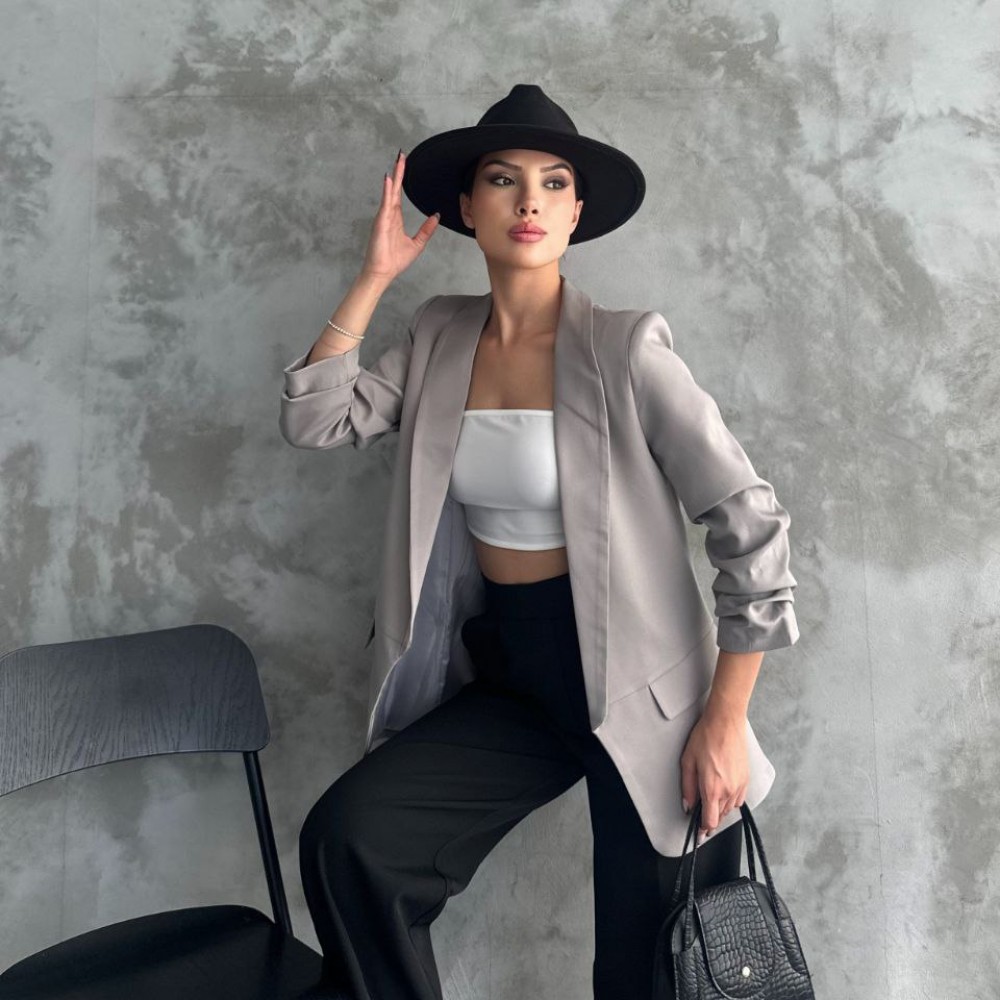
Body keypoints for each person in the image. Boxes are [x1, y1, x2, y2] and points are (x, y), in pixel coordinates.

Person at [280, 84, 799, 1000]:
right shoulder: (438, 334)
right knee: (353, 839)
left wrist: (724, 719)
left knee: (648, 970)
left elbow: (750, 527)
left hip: (639, 689)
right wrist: (374, 279)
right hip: (510, 675)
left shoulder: (626, 349)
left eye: (555, 183)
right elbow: (318, 421)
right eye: (503, 180)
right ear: (467, 208)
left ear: (577, 213)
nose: (530, 201)